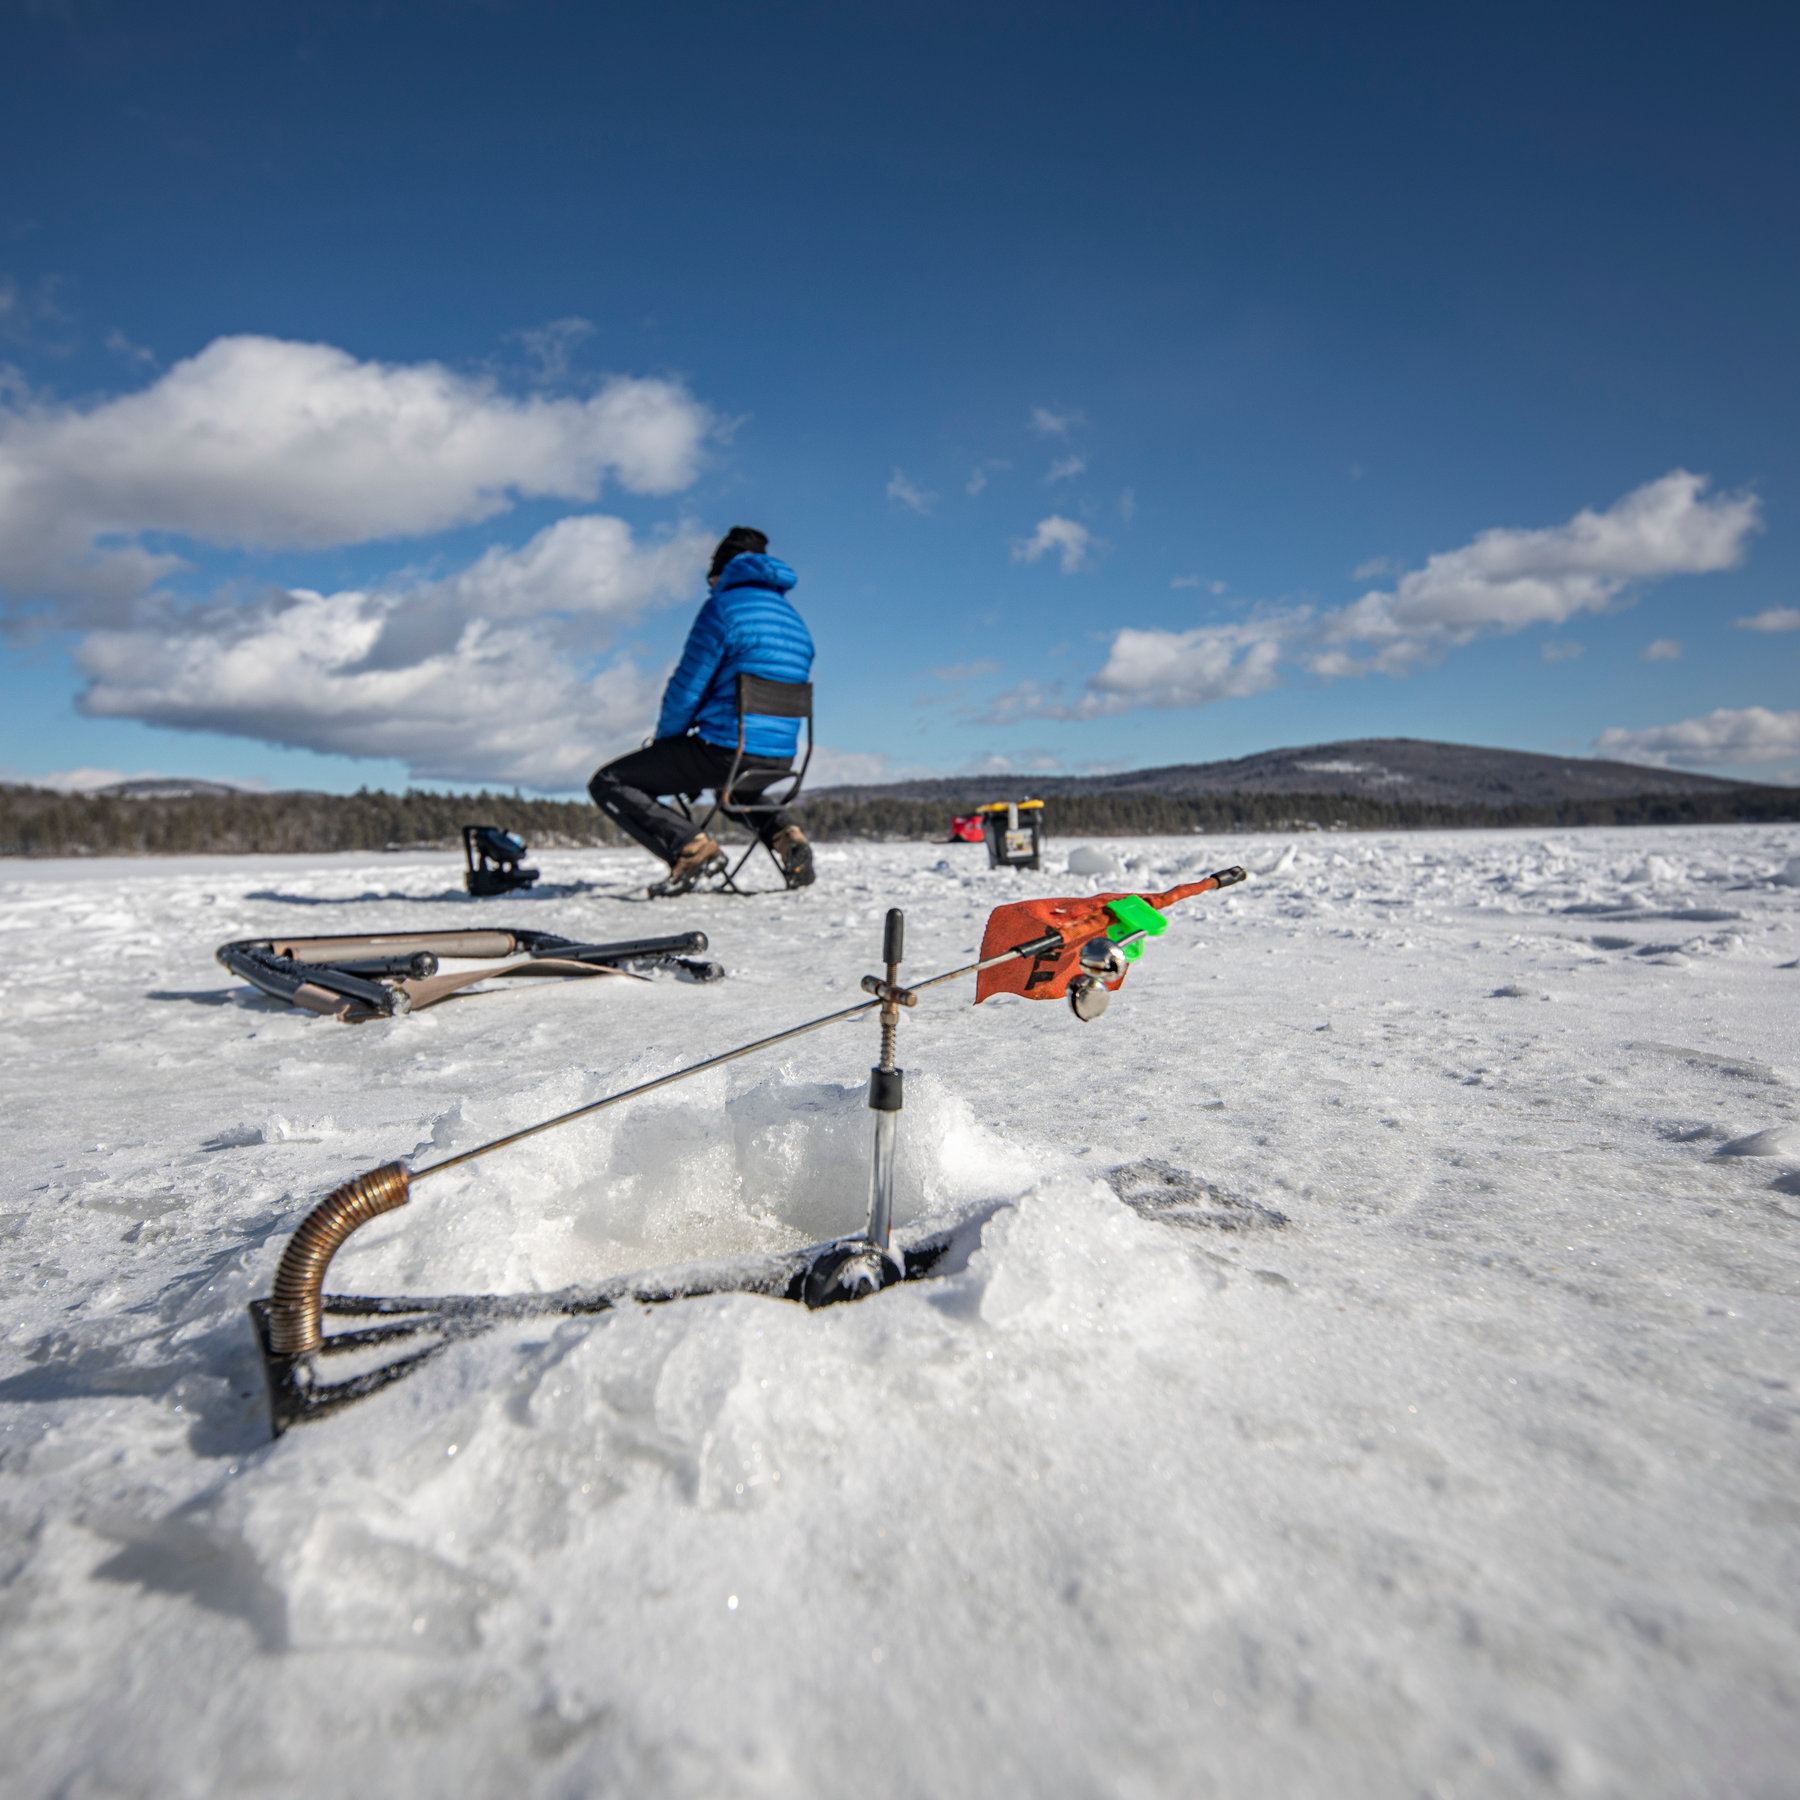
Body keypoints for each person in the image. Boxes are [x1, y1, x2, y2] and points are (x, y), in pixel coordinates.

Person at [588, 526, 816, 894]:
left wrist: (665, 744)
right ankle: (789, 839)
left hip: (727, 750)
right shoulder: (795, 622)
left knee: (609, 782)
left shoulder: (723, 609)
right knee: (735, 793)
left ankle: (692, 849)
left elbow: (687, 688)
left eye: (711, 574)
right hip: (779, 756)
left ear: (723, 569)